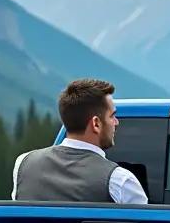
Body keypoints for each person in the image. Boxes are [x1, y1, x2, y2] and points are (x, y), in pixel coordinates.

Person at [11, 78, 148, 205]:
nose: (116, 122)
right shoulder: (120, 181)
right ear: (96, 124)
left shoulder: (23, 164)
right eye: (112, 116)